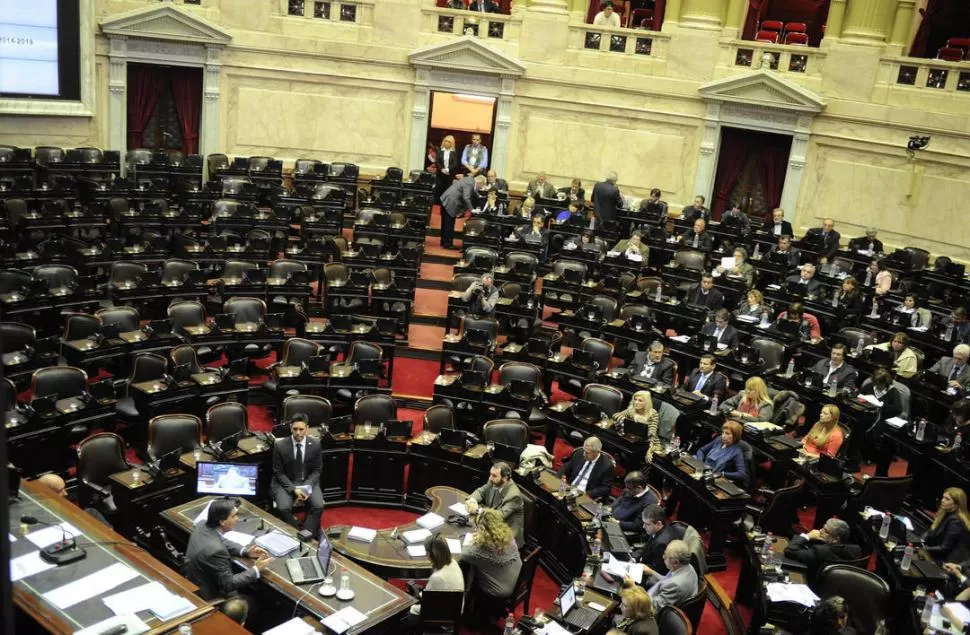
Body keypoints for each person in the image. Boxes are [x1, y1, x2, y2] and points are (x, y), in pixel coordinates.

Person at [183, 498, 273, 600]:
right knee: (256, 601)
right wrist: (256, 569)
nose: (237, 519)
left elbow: (220, 540)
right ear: (222, 522)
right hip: (207, 593)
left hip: (195, 577)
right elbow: (228, 584)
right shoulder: (217, 551)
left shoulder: (202, 525)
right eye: (233, 516)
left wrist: (245, 551)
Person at [460, 508, 522, 624]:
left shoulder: (481, 549)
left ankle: (472, 614)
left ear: (481, 530)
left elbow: (464, 555)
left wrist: (473, 540)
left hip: (498, 591)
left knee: (471, 570)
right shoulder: (509, 537)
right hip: (516, 582)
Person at [271, 414, 324, 532]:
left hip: (308, 481)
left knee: (318, 506)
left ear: (307, 428)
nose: (298, 433)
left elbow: (317, 470)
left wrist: (307, 486)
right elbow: (278, 472)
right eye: (295, 429)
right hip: (286, 482)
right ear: (291, 428)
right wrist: (293, 489)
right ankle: (294, 532)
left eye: (301, 429)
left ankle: (306, 532)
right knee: (283, 508)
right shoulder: (280, 445)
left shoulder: (315, 444)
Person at [405, 534, 465, 623]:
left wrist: (412, 607)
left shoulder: (438, 577)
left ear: (432, 554)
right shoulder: (453, 562)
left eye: (427, 552)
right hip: (456, 609)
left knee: (407, 616)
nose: (426, 554)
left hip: (442, 616)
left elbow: (426, 604)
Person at [625, 540, 699, 611]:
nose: (663, 557)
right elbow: (667, 580)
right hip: (657, 595)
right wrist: (651, 572)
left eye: (666, 555)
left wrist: (632, 588)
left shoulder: (675, 585)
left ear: (676, 562)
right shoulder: (687, 567)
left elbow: (652, 608)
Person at [784, 518, 863, 582]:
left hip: (812, 585)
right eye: (822, 528)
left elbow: (790, 550)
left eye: (825, 530)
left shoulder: (820, 551)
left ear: (836, 539)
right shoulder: (856, 550)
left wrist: (807, 536)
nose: (820, 531)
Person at [465, 461, 524, 546]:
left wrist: (478, 510)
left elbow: (499, 515)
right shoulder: (493, 482)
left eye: (494, 476)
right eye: (490, 474)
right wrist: (472, 500)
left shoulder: (514, 496)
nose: (490, 478)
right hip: (492, 527)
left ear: (505, 478)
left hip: (507, 536)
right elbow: (481, 491)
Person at [863, 366, 905, 476]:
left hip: (882, 418)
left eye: (879, 384)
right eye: (876, 383)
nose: (877, 386)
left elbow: (897, 409)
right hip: (866, 414)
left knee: (875, 430)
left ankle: (871, 456)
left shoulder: (893, 392)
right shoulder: (870, 386)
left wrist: (881, 406)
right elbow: (860, 396)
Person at [612, 391, 662, 462]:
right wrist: (625, 420)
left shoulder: (653, 413)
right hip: (630, 439)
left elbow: (652, 433)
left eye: (640, 400)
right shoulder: (631, 410)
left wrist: (649, 451)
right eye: (635, 399)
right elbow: (615, 416)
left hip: (645, 441)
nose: (636, 402)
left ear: (646, 402)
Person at [924, 488, 970, 563]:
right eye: (943, 497)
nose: (942, 500)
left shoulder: (956, 521)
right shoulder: (945, 513)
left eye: (947, 499)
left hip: (949, 562)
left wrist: (922, 548)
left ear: (957, 504)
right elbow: (932, 531)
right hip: (939, 555)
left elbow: (944, 547)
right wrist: (921, 541)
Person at [439, 174, 485, 250]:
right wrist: (472, 209)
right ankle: (447, 244)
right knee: (449, 223)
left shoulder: (470, 180)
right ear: (479, 183)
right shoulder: (470, 183)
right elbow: (466, 197)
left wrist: (479, 196)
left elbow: (473, 191)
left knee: (446, 222)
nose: (481, 188)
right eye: (481, 186)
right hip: (450, 201)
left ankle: (444, 242)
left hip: (447, 199)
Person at [633, 505, 679, 575]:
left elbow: (656, 570)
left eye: (647, 524)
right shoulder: (659, 528)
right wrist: (633, 559)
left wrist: (636, 566)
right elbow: (646, 547)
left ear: (658, 523)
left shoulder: (662, 544)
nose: (643, 527)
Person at [434, 134, 459, 205]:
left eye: (448, 142)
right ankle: (436, 203)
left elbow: (455, 164)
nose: (446, 143)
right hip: (440, 173)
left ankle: (444, 203)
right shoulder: (439, 151)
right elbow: (437, 162)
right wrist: (442, 169)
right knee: (438, 188)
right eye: (445, 141)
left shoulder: (454, 153)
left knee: (447, 189)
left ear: (452, 144)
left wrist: (447, 170)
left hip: (449, 174)